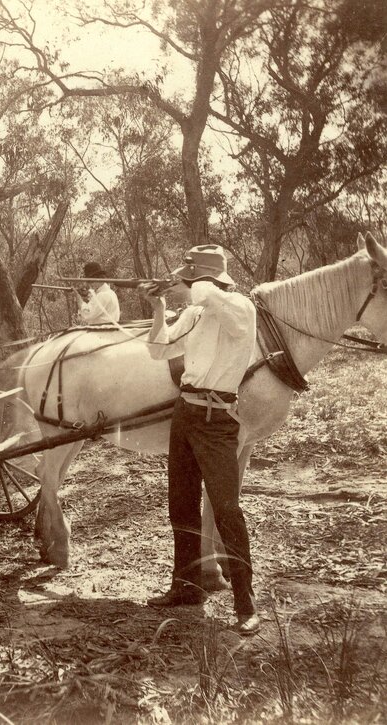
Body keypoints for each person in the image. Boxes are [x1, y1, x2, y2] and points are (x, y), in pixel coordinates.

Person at [140, 244, 260, 636]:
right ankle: (186, 587)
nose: (188, 282)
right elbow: (159, 351)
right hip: (186, 414)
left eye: (192, 275)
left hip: (217, 419)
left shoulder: (239, 306)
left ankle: (245, 604)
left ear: (206, 278)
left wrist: (185, 280)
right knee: (181, 506)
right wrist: (159, 305)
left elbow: (208, 293)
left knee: (227, 510)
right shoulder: (193, 312)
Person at [76, 261, 120, 325]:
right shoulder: (110, 292)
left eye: (90, 281)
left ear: (97, 279)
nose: (90, 284)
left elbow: (87, 315)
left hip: (102, 332)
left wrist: (79, 299)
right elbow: (93, 299)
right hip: (107, 331)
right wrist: (86, 294)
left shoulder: (102, 295)